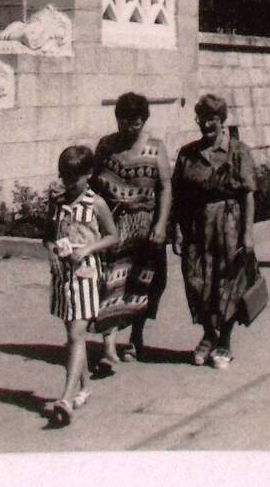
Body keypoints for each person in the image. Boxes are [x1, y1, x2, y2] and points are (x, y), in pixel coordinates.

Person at [170, 93, 255, 370]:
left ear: (222, 121)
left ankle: (224, 341)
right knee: (196, 280)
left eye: (213, 120)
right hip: (195, 223)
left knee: (227, 281)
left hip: (228, 223)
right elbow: (179, 195)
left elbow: (248, 195)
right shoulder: (187, 153)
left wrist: (248, 234)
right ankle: (208, 333)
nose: (207, 125)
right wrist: (178, 231)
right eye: (203, 119)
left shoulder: (238, 151)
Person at [92, 91, 172, 369]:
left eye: (135, 122)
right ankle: (109, 346)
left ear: (143, 120)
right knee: (110, 282)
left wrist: (161, 224)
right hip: (113, 225)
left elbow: (165, 188)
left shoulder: (156, 147)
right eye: (123, 121)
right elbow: (93, 185)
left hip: (145, 225)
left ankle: (136, 335)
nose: (129, 127)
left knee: (146, 282)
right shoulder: (106, 146)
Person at [42, 144, 119, 425]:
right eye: (64, 177)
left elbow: (113, 236)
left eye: (74, 177)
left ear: (88, 174)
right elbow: (48, 237)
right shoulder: (59, 203)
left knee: (76, 335)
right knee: (73, 337)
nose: (68, 183)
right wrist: (51, 250)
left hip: (86, 275)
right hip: (63, 277)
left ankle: (65, 397)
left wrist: (88, 249)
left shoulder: (95, 203)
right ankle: (84, 388)